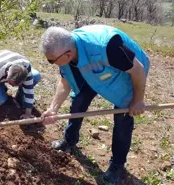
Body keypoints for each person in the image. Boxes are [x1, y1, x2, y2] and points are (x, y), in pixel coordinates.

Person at [39, 25, 150, 184]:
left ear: (68, 54)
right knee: (79, 100)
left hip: (128, 72)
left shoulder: (107, 46)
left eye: (51, 61)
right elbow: (65, 81)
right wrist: (53, 108)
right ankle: (69, 140)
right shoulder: (66, 52)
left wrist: (138, 100)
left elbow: (137, 70)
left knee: (123, 115)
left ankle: (117, 165)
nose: (51, 63)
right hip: (94, 69)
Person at [0, 49, 42, 123]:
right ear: (7, 73)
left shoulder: (26, 67)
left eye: (16, 85)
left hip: (14, 62)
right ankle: (2, 89)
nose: (13, 87)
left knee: (36, 76)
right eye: (11, 84)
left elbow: (29, 89)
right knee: (0, 100)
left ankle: (20, 100)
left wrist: (28, 113)